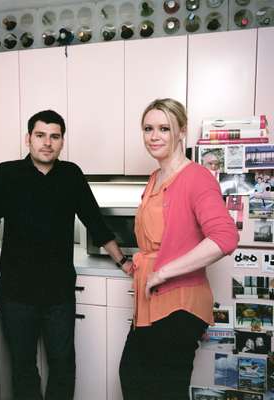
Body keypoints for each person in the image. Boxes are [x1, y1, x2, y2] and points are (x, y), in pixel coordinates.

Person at [0, 110, 132, 400]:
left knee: (62, 366)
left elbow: (95, 223)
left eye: (54, 136)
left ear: (62, 142)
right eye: (40, 135)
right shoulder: (7, 173)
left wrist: (123, 261)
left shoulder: (71, 174)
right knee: (23, 368)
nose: (47, 143)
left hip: (59, 291)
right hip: (17, 291)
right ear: (28, 139)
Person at [119, 99, 239, 400]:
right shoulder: (155, 177)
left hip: (179, 304)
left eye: (164, 128)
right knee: (133, 377)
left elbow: (225, 236)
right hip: (151, 300)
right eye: (148, 128)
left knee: (163, 390)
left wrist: (163, 272)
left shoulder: (196, 177)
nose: (154, 136)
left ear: (181, 131)